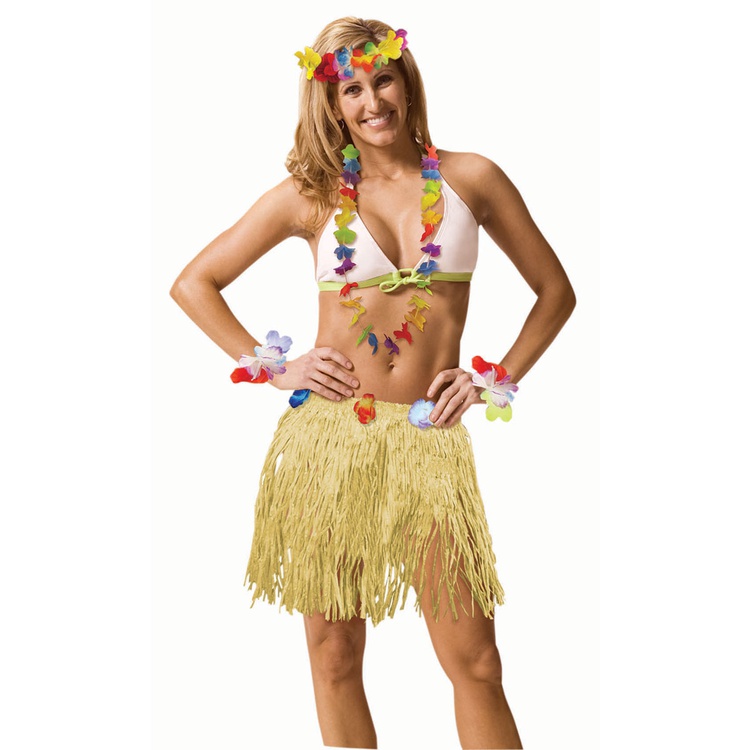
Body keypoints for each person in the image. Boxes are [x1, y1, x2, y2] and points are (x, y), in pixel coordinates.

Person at [170, 16, 575, 750]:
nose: (371, 101)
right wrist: (275, 366)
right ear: (331, 104)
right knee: (334, 656)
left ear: (406, 82)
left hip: (428, 440)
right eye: (350, 89)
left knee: (477, 662)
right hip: (332, 441)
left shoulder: (471, 179)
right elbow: (195, 283)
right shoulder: (313, 194)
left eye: (381, 79)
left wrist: (493, 380)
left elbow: (555, 293)